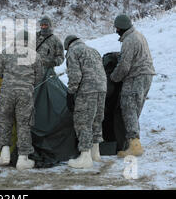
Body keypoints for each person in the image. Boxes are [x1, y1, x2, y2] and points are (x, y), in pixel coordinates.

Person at [0, 30, 44, 170]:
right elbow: (39, 76)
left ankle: (4, 153)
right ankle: (23, 158)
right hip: (25, 93)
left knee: (5, 122)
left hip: (7, 92)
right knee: (24, 124)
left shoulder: (5, 52)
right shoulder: (34, 55)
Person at [110, 14, 155, 157]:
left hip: (135, 76)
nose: (116, 30)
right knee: (134, 110)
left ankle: (134, 146)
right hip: (146, 76)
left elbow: (124, 66)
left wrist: (113, 78)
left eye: (117, 28)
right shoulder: (139, 35)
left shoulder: (129, 40)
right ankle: (133, 143)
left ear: (121, 27)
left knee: (128, 107)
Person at [64, 35, 107, 169]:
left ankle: (85, 157)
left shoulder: (73, 51)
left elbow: (75, 75)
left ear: (68, 45)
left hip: (87, 90)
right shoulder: (93, 50)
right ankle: (95, 153)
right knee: (96, 120)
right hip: (102, 89)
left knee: (83, 121)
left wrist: (71, 92)